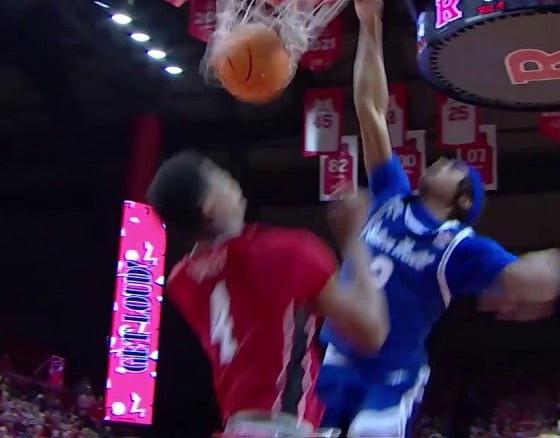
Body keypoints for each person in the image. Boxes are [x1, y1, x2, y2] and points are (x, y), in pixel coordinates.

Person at [317, 0, 560, 438]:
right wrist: (370, 23)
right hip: (338, 354)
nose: (439, 159)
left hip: (391, 376)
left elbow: (529, 279)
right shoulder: (393, 195)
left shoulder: (460, 246)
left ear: (463, 199)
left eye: (453, 166)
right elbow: (370, 110)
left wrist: (551, 266)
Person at [150, 151, 389, 437]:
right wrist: (354, 239)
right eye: (222, 178)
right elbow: (371, 332)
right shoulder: (286, 253)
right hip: (280, 427)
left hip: (237, 428)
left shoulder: (182, 282)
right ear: (210, 206)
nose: (233, 183)